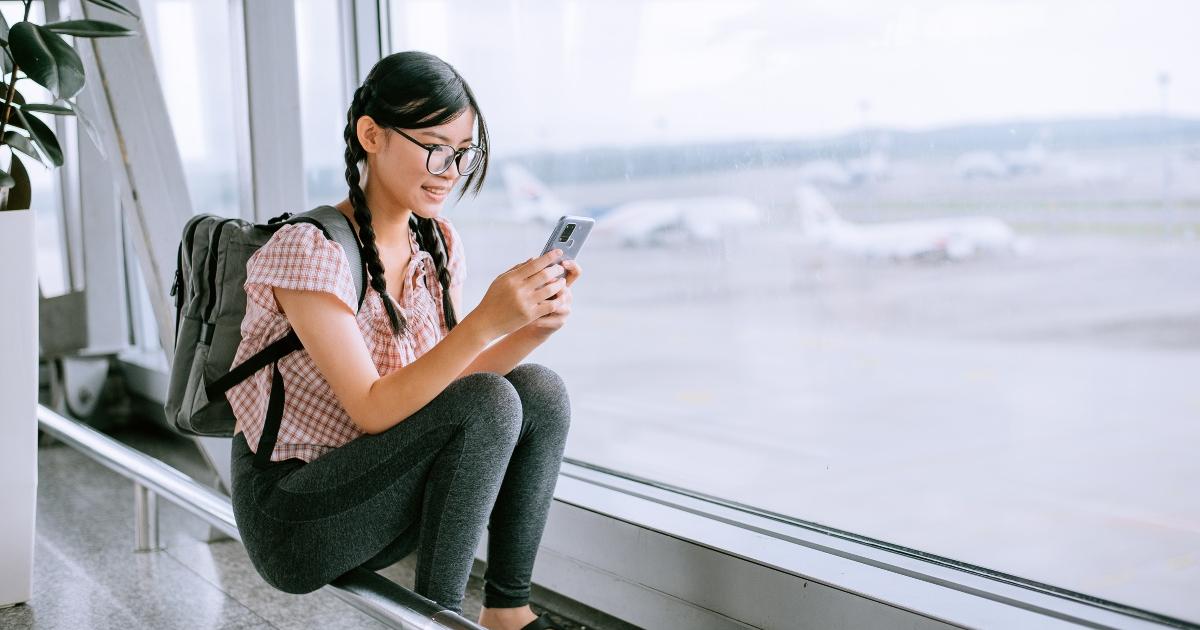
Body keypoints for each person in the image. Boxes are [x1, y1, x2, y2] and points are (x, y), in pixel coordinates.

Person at [227, 50, 580, 630]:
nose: (450, 168)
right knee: (490, 401)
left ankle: (507, 611)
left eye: (463, 153)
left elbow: (447, 389)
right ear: (372, 135)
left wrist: (527, 329)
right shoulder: (309, 249)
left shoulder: (437, 244)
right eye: (435, 146)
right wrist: (485, 323)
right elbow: (371, 408)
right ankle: (436, 622)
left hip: (378, 485)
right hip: (295, 512)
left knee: (539, 390)